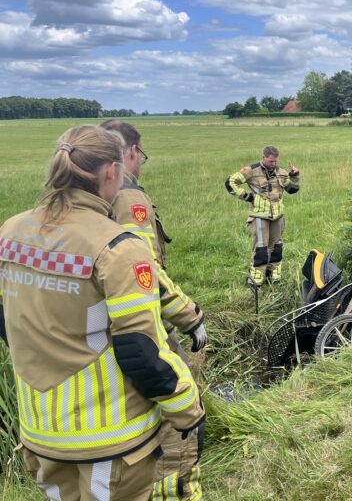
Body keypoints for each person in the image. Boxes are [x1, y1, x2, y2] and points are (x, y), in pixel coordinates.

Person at [0, 125, 204, 501]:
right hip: (109, 440)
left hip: (40, 434)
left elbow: (7, 322)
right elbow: (141, 351)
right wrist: (189, 410)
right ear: (111, 171)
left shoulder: (10, 231)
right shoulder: (116, 246)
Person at [100, 120, 206, 500]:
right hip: (141, 326)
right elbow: (144, 267)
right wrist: (190, 315)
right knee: (179, 409)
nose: (141, 162)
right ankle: (174, 490)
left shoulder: (84, 199)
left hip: (102, 329)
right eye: (141, 154)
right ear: (129, 152)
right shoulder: (130, 199)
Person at [226, 145, 300, 286]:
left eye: (275, 161)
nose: (273, 164)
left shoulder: (281, 172)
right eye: (271, 161)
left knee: (277, 247)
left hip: (278, 217)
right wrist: (247, 197)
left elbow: (292, 190)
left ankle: (273, 277)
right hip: (260, 217)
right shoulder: (251, 171)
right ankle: (256, 280)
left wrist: (295, 176)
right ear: (264, 157)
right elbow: (230, 182)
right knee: (261, 248)